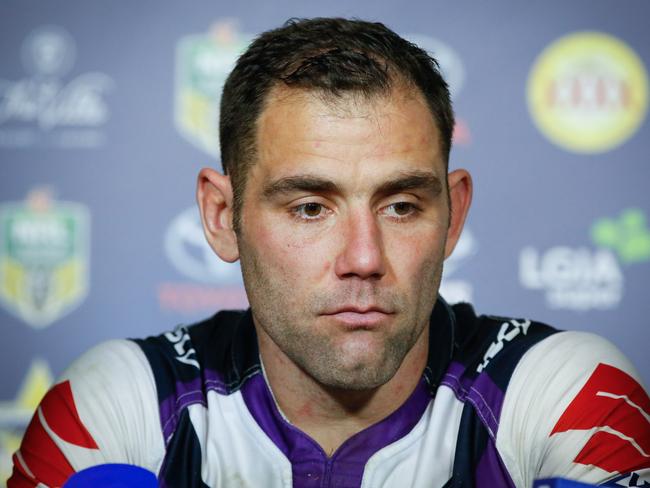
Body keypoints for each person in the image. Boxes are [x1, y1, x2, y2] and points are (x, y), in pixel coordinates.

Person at [9, 17, 649, 488]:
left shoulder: (564, 393)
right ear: (222, 216)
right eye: (310, 207)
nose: (363, 258)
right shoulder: (118, 405)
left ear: (453, 215)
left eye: (401, 205)